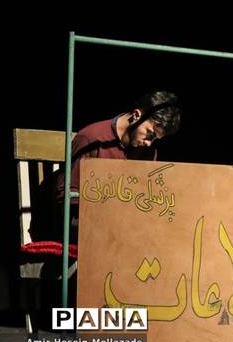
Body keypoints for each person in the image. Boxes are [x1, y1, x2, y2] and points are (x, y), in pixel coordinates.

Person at [54, 90, 181, 242]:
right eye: (149, 134)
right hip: (86, 224)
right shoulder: (91, 139)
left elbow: (145, 197)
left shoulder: (147, 152)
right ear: (136, 115)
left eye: (155, 139)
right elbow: (66, 195)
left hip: (126, 225)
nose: (149, 143)